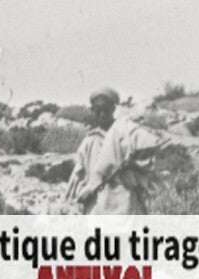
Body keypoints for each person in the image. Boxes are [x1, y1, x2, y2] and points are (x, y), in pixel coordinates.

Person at [65, 86, 162, 215]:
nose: (102, 115)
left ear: (113, 109)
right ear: (92, 111)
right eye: (97, 111)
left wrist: (130, 164)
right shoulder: (89, 141)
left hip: (125, 202)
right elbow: (78, 173)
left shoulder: (126, 130)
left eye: (106, 110)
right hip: (97, 203)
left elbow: (148, 155)